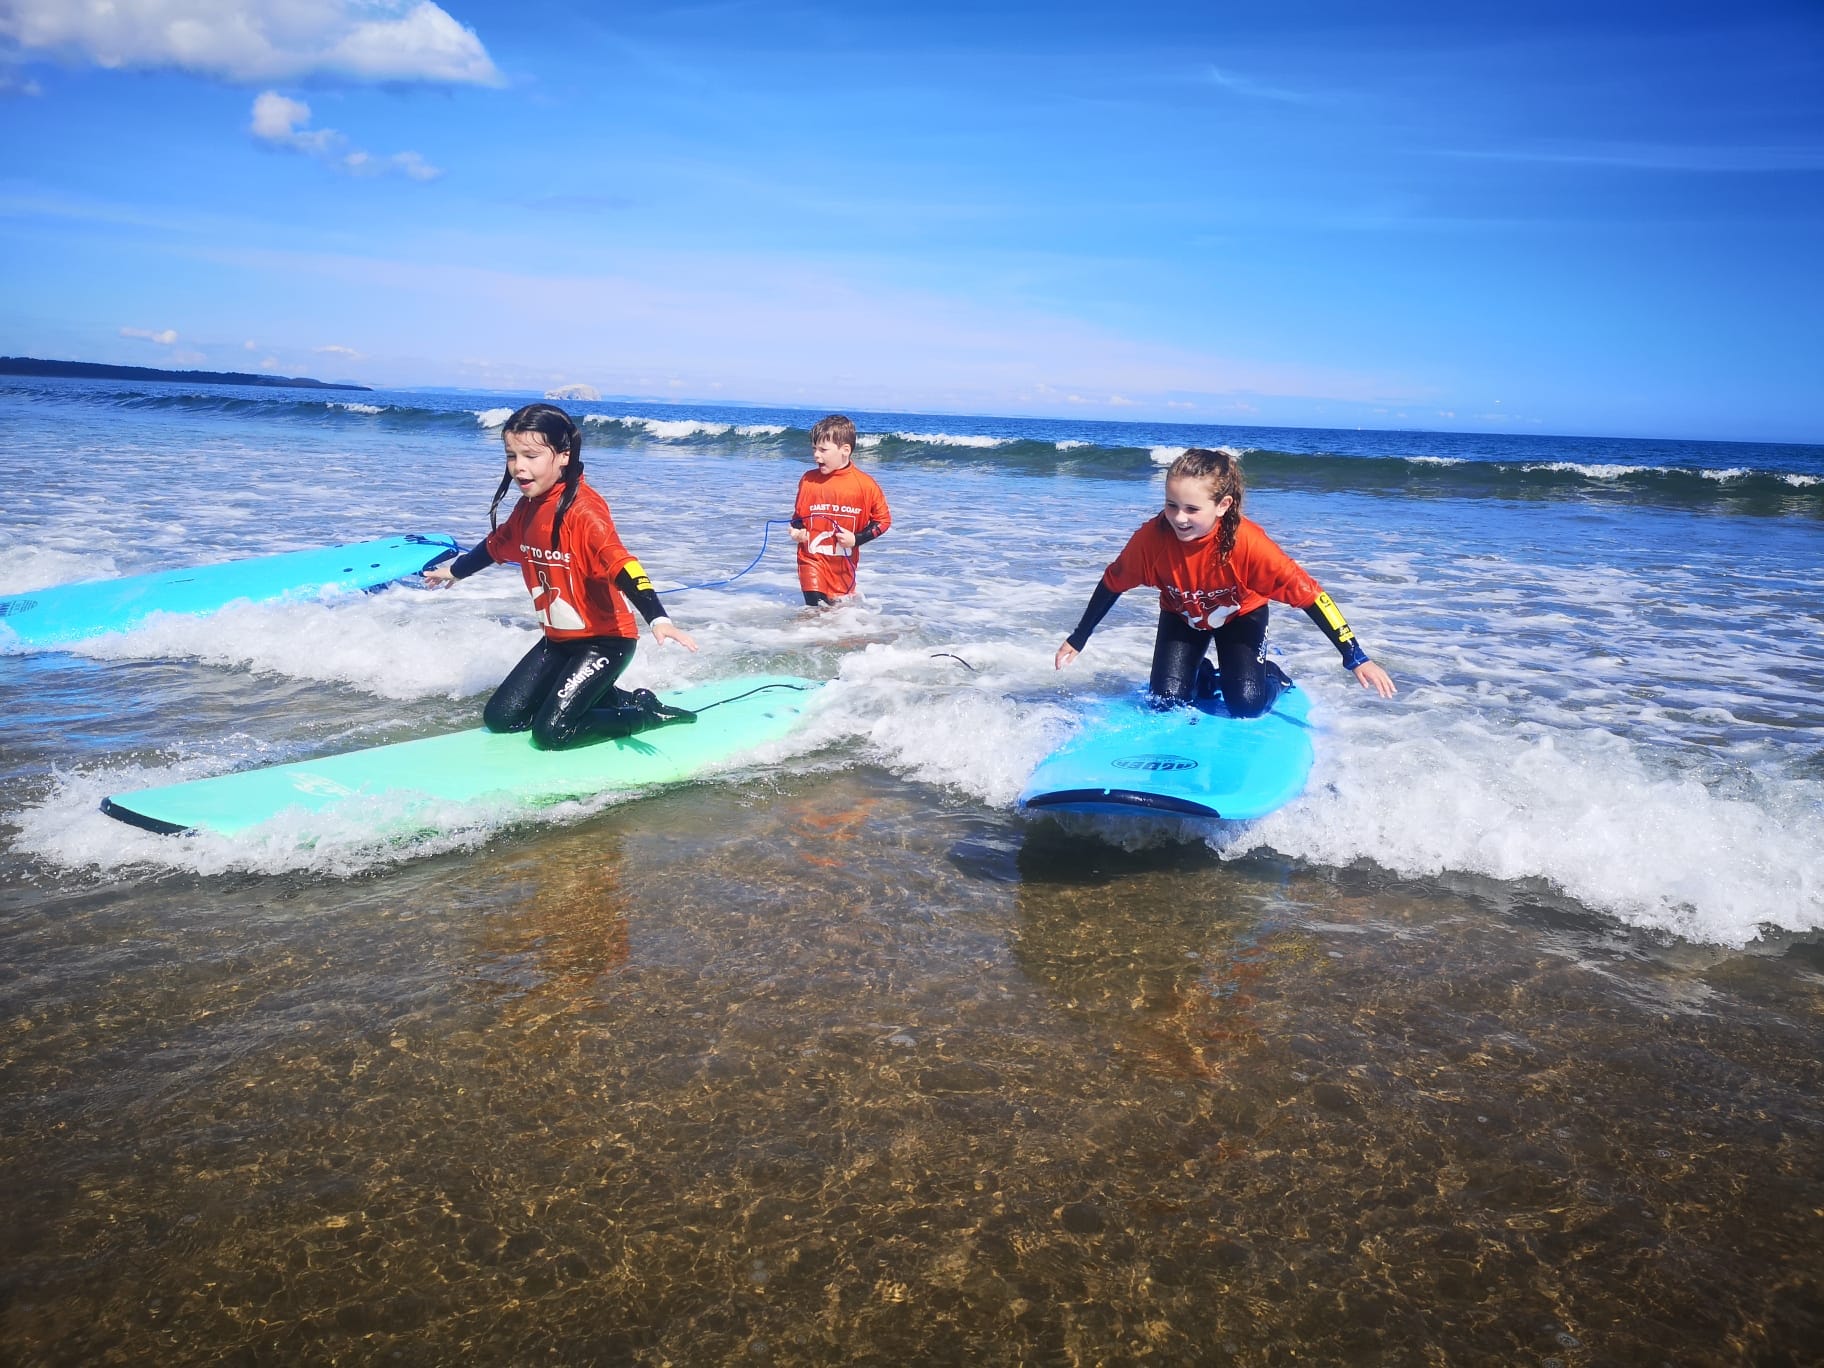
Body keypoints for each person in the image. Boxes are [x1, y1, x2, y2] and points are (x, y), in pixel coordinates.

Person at [424, 403, 700, 749]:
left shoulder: (584, 511)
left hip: (605, 642)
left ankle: (645, 712)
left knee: (552, 733)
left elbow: (622, 563)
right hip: (558, 642)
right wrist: (456, 570)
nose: (519, 467)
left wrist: (657, 618)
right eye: (511, 455)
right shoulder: (528, 508)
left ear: (563, 456)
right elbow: (498, 544)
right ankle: (609, 695)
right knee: (502, 719)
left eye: (531, 455)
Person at [1054, 447, 1396, 717]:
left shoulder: (1249, 544)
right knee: (1165, 703)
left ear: (1222, 505)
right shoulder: (1152, 539)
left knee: (1246, 705)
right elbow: (1113, 582)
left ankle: (1273, 674)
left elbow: (1312, 596)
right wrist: (1078, 637)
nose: (1178, 518)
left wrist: (1355, 655)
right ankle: (1200, 671)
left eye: (1191, 508)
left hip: (1240, 618)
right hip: (1182, 617)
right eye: (1171, 505)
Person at [789, 414, 892, 606]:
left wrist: (857, 539)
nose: (816, 455)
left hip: (843, 566)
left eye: (823, 450)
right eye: (814, 449)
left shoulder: (865, 485)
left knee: (836, 620)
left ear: (845, 450)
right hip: (811, 560)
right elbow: (797, 518)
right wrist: (796, 532)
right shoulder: (808, 480)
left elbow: (883, 521)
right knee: (814, 612)